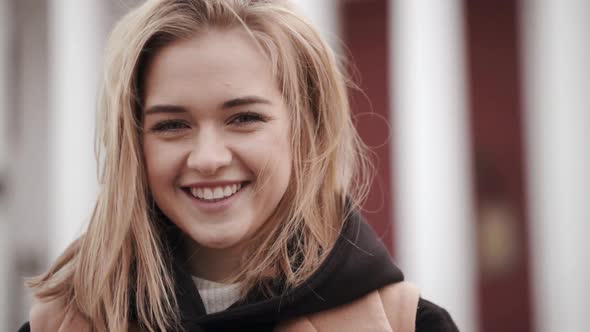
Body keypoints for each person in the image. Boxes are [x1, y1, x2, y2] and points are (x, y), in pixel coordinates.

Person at [19, 0, 458, 331]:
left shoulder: (408, 324)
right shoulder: (58, 325)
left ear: (306, 129)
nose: (208, 158)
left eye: (244, 118)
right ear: (135, 143)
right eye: (171, 125)